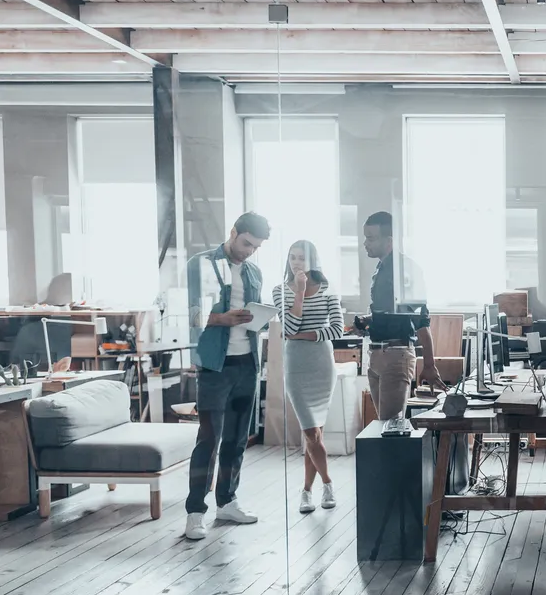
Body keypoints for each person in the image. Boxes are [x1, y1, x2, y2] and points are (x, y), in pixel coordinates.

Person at [184, 212, 271, 541]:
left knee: (237, 439)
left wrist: (258, 320)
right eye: (246, 243)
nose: (249, 251)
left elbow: (254, 316)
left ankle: (227, 501)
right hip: (214, 367)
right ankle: (195, 512)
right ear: (233, 233)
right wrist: (224, 318)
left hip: (247, 364)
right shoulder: (201, 264)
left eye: (255, 247)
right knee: (208, 440)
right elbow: (190, 314)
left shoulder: (254, 272)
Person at [352, 211, 446, 420]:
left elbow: (421, 320)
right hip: (377, 354)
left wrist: (429, 364)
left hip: (395, 354)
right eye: (365, 237)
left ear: (389, 241)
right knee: (384, 426)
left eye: (371, 238)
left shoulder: (406, 270)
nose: (366, 243)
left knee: (391, 427)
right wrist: (367, 321)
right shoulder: (382, 268)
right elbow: (393, 314)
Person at [272, 240, 344, 514]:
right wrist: (300, 293)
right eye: (292, 257)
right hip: (297, 367)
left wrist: (303, 335)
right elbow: (287, 325)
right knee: (311, 432)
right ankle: (327, 483)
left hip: (322, 366)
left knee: (314, 436)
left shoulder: (327, 290)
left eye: (301, 258)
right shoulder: (279, 290)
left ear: (313, 260)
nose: (296, 263)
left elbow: (337, 329)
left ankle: (306, 492)